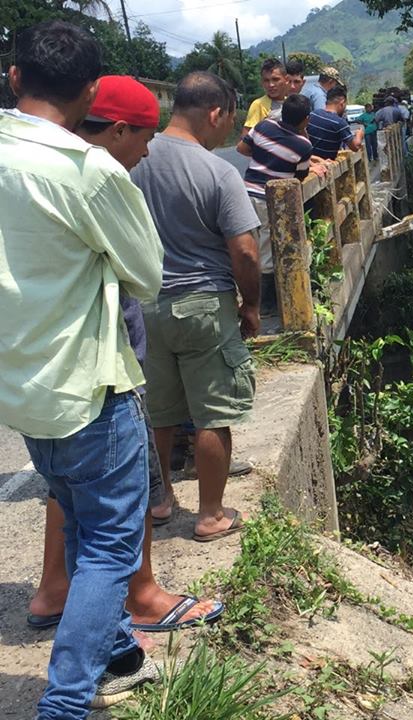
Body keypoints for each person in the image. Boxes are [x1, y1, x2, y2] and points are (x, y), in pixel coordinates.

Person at [0, 21, 165, 716]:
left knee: (77, 516)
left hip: (22, 385)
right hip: (89, 388)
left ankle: (120, 654)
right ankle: (65, 702)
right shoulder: (88, 171)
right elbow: (148, 276)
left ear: (14, 77)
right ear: (92, 91)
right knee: (109, 549)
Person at [27, 74, 225, 642]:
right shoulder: (98, 178)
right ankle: (141, 597)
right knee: (124, 486)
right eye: (141, 139)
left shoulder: (31, 169)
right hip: (101, 361)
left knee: (65, 484)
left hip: (47, 361)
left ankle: (53, 589)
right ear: (115, 130)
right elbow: (145, 275)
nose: (146, 151)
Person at [131, 71, 260, 543]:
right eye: (229, 119)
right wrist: (250, 306)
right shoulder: (218, 170)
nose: (227, 131)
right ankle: (210, 514)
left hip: (146, 306)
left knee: (159, 413)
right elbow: (244, 251)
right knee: (212, 413)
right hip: (203, 304)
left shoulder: (132, 158)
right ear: (215, 113)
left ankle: (160, 499)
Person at [236, 93, 326, 315]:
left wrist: (264, 155)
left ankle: (246, 298)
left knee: (249, 244)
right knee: (267, 248)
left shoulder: (263, 126)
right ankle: (266, 305)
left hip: (246, 193)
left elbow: (243, 148)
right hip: (269, 200)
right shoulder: (303, 145)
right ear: (306, 120)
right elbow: (299, 176)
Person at [306, 85, 363, 160]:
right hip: (325, 165)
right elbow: (355, 147)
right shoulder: (340, 123)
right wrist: (359, 135)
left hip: (310, 161)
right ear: (342, 103)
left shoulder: (313, 114)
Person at [241, 57, 286, 137]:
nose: (271, 85)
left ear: (285, 79)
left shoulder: (290, 103)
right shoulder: (259, 105)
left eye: (275, 79)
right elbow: (245, 140)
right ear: (262, 82)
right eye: (266, 80)